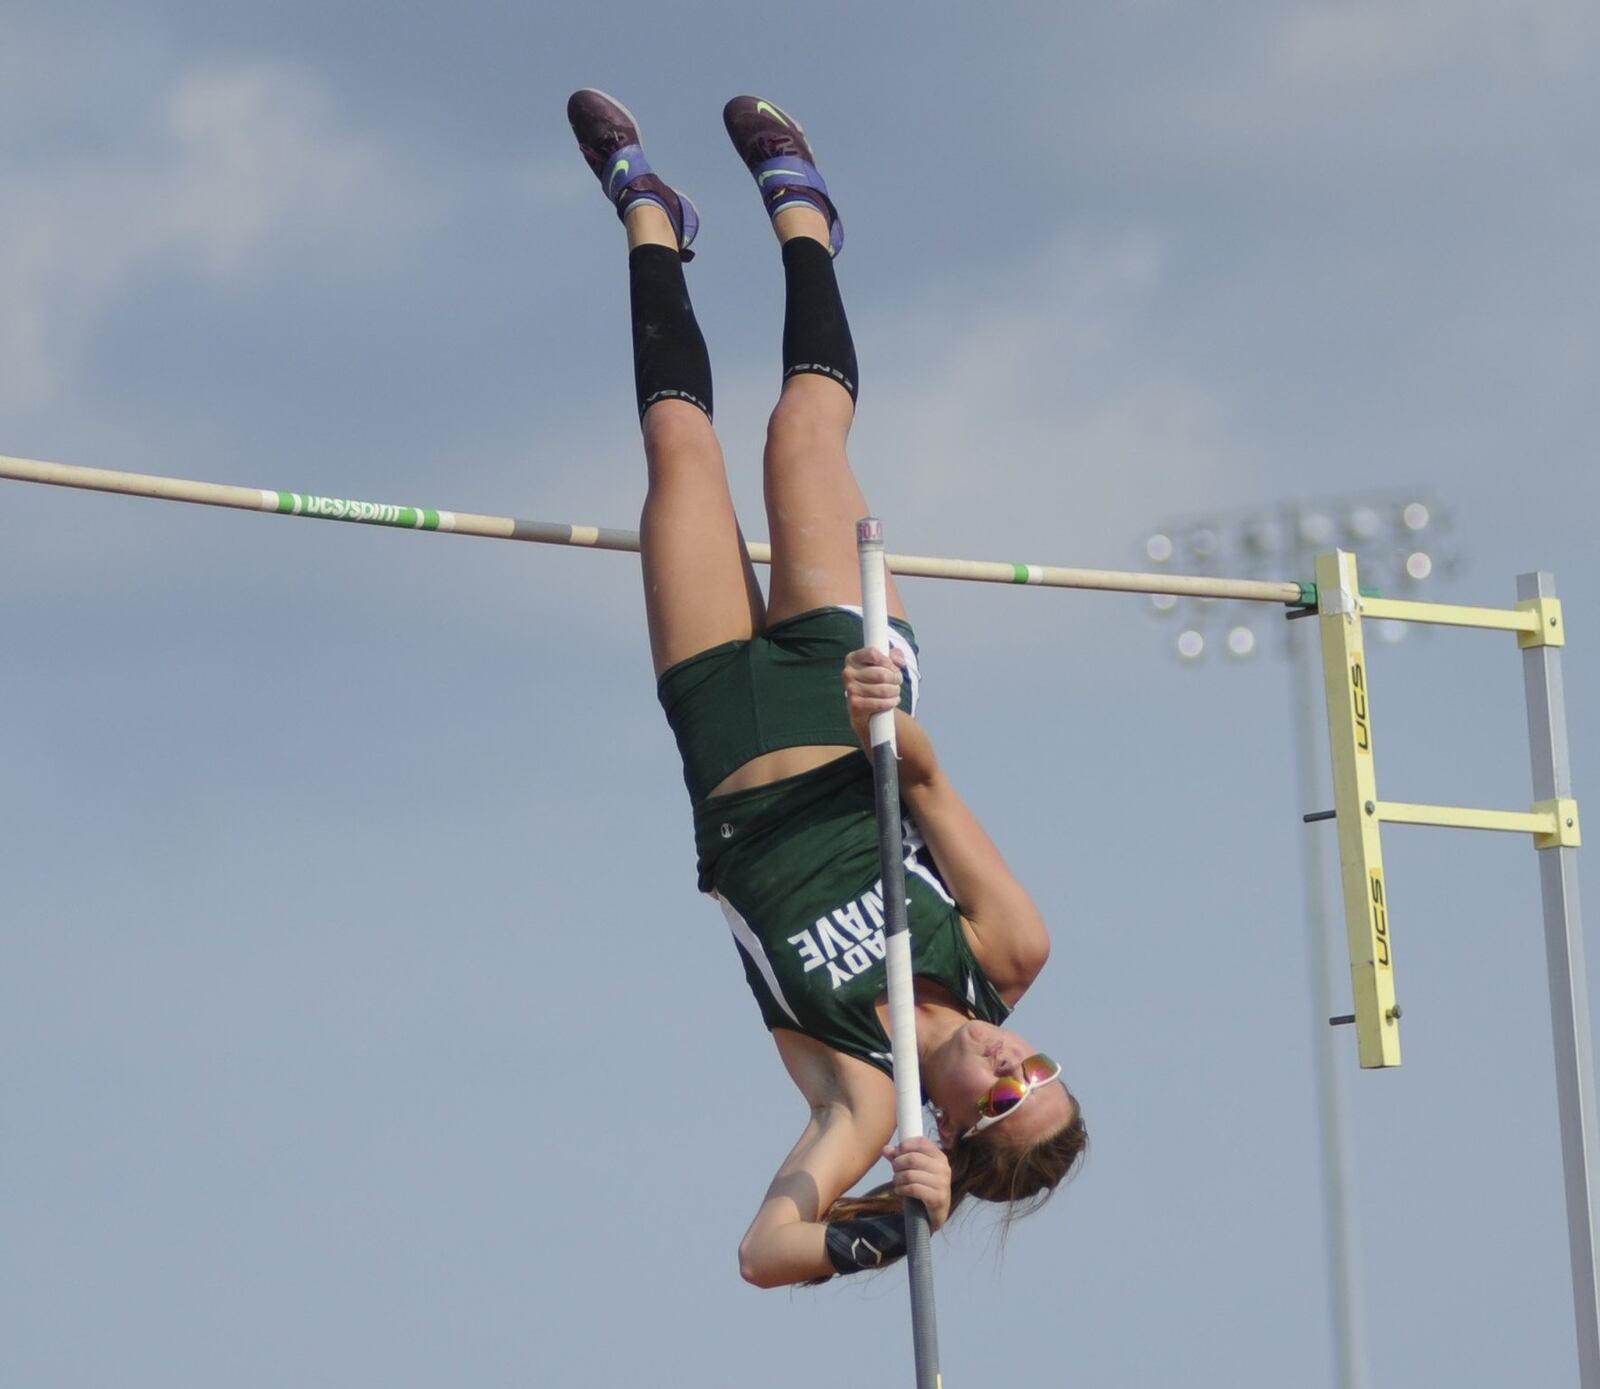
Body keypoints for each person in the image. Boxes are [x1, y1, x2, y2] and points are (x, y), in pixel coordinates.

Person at [566, 89, 1087, 1287]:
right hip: (846, 704)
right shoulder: (1005, 951)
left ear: (956, 1129)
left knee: (678, 450)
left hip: (725, 752)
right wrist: (889, 717)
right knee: (800, 436)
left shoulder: (860, 1096)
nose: (1018, 1060)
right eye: (1044, 1069)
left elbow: (763, 1253)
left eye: (1007, 1094)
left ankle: (650, 220)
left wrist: (893, 1225)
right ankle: (805, 217)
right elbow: (930, 780)